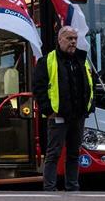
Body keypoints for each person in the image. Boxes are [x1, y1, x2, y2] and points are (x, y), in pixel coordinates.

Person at [33, 26, 95, 192]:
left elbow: (90, 84)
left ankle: (72, 186)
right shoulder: (47, 61)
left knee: (74, 154)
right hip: (58, 116)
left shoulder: (81, 60)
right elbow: (39, 89)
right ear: (60, 40)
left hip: (78, 115)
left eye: (75, 38)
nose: (73, 42)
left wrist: (89, 107)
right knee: (53, 154)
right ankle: (50, 187)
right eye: (69, 38)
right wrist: (48, 110)